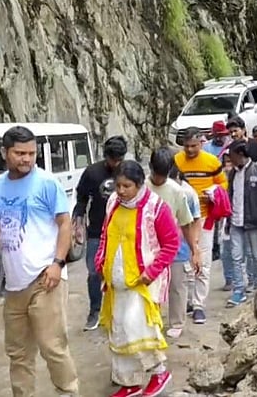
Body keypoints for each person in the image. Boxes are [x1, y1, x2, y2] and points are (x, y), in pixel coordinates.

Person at [0, 126, 79, 397]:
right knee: (17, 352)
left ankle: (68, 392)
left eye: (31, 153)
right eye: (19, 153)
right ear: (5, 153)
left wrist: (58, 263)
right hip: (13, 286)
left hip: (45, 278)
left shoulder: (47, 183)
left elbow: (65, 223)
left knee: (52, 346)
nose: (26, 159)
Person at [96, 160, 180, 397]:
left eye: (127, 186)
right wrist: (100, 263)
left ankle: (159, 372)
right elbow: (105, 233)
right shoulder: (113, 202)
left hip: (143, 283)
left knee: (137, 327)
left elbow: (171, 244)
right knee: (119, 329)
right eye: (118, 186)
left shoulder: (156, 207)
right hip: (116, 281)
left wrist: (151, 272)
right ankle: (129, 383)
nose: (121, 191)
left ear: (140, 184)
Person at [174, 128, 228, 325]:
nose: (189, 150)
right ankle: (187, 300)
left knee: (202, 262)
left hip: (205, 218)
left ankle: (198, 305)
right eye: (186, 146)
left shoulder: (212, 162)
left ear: (202, 143)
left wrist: (213, 192)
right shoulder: (176, 161)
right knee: (184, 262)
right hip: (181, 219)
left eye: (193, 146)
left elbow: (223, 183)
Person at [74, 136, 127, 331]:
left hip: (123, 231)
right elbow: (81, 198)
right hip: (96, 230)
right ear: (106, 157)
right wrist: (78, 222)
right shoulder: (92, 172)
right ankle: (94, 310)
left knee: (120, 271)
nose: (117, 164)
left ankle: (118, 311)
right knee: (94, 272)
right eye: (113, 160)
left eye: (119, 159)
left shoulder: (129, 170)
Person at [147, 148, 200, 340]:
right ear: (150, 168)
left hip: (175, 246)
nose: (159, 180)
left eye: (163, 176)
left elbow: (186, 223)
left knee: (177, 285)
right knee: (150, 285)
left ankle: (177, 322)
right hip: (149, 247)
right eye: (156, 175)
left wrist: (195, 250)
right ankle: (152, 320)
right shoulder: (141, 187)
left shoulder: (177, 192)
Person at [225, 142, 257, 306]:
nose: (229, 159)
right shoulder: (233, 174)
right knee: (236, 257)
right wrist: (228, 220)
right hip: (236, 221)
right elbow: (230, 196)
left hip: (255, 222)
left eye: (231, 155)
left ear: (240, 154)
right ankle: (239, 290)